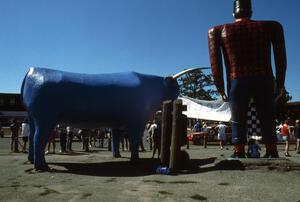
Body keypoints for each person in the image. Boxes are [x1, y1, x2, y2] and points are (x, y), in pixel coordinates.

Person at [208, 0, 286, 158]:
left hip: (237, 78)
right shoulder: (271, 26)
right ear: (251, 11)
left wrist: (220, 87)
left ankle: (239, 150)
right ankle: (271, 149)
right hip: (263, 77)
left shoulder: (218, 30)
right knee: (267, 114)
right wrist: (280, 84)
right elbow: (281, 58)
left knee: (238, 116)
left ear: (233, 13)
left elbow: (215, 63)